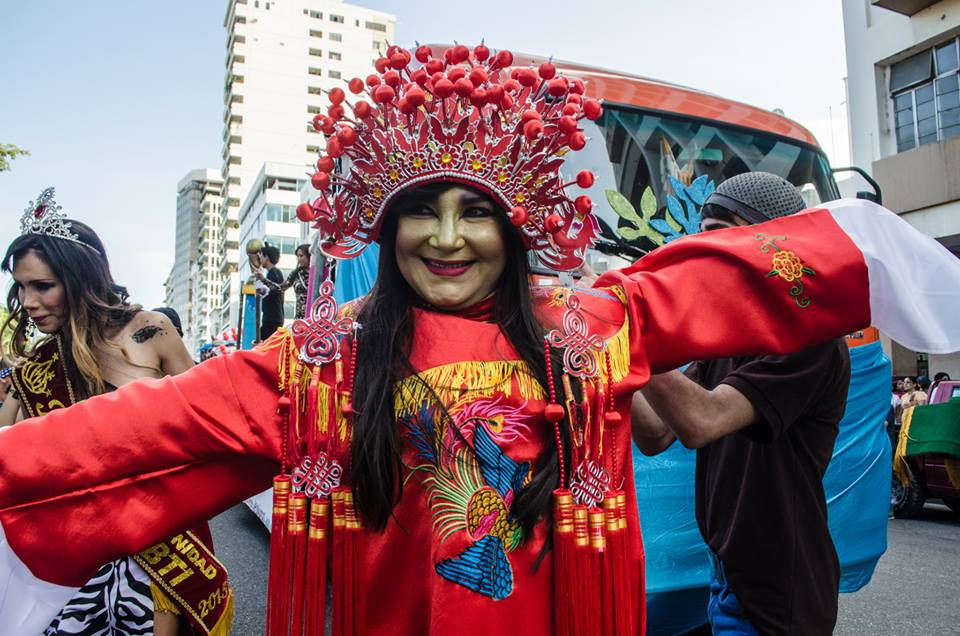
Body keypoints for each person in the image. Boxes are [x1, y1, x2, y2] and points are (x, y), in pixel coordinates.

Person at [2, 45, 960, 636]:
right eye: (424, 212)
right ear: (386, 227)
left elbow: (728, 279)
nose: (450, 239)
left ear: (514, 227)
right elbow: (142, 433)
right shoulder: (322, 354)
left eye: (477, 213)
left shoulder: (586, 325)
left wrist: (880, 255)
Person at [0, 189, 233, 635]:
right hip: (82, 553)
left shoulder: (150, 330)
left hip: (164, 543)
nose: (28, 302)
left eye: (42, 286)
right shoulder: (39, 369)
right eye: (22, 287)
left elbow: (208, 422)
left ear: (80, 278)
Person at [630, 172, 852, 635]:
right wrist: (598, 346)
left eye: (716, 234)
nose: (703, 251)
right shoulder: (731, 334)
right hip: (727, 576)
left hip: (776, 591)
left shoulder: (810, 340)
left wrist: (628, 327)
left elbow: (700, 420)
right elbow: (654, 434)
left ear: (768, 240)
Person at [256, 243, 286, 341]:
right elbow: (262, 293)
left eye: (262, 257)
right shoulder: (271, 273)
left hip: (273, 318)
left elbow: (273, 291)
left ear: (267, 257)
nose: (260, 260)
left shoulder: (275, 273)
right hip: (270, 317)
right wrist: (258, 281)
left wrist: (261, 281)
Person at [281, 243, 311, 319]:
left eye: (301, 256)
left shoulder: (319, 273)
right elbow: (279, 288)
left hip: (316, 316)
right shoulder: (296, 274)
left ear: (309, 256)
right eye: (297, 256)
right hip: (300, 318)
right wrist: (261, 282)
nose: (299, 259)